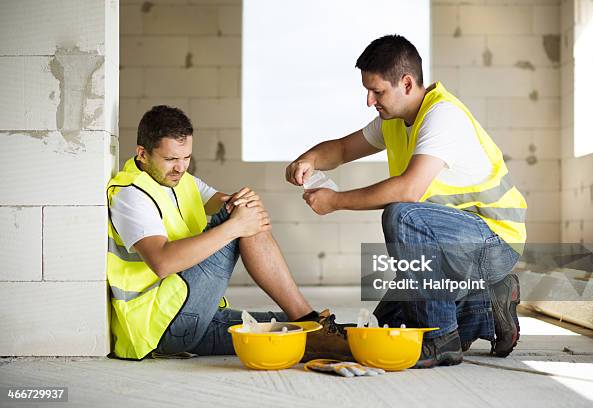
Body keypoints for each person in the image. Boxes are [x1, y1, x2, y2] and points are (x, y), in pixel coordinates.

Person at [286, 35, 527, 368]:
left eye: (377, 92)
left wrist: (336, 201)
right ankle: (488, 308)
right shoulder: (394, 120)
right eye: (367, 91)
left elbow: (408, 190)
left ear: (407, 83)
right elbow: (341, 149)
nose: (370, 101)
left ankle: (442, 340)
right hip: (451, 247)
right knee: (385, 329)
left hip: (494, 242)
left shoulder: (442, 116)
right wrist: (308, 159)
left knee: (402, 215)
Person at [106, 105, 350, 361]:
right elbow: (162, 262)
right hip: (161, 323)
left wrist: (246, 200)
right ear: (142, 154)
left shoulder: (181, 181)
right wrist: (237, 224)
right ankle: (310, 320)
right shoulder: (131, 193)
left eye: (186, 157)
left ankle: (322, 330)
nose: (180, 168)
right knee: (241, 217)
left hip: (192, 321)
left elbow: (224, 201)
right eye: (170, 160)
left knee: (293, 331)